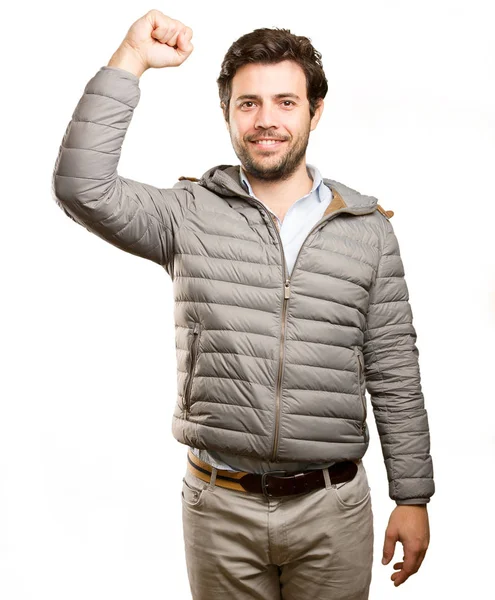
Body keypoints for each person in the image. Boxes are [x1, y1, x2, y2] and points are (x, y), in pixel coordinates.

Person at [51, 9, 434, 599]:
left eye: (285, 101)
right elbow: (81, 187)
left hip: (332, 509)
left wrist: (412, 496)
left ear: (315, 110)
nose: (266, 120)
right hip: (219, 509)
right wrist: (131, 58)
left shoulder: (366, 230)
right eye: (248, 103)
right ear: (227, 113)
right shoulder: (187, 214)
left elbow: (394, 370)